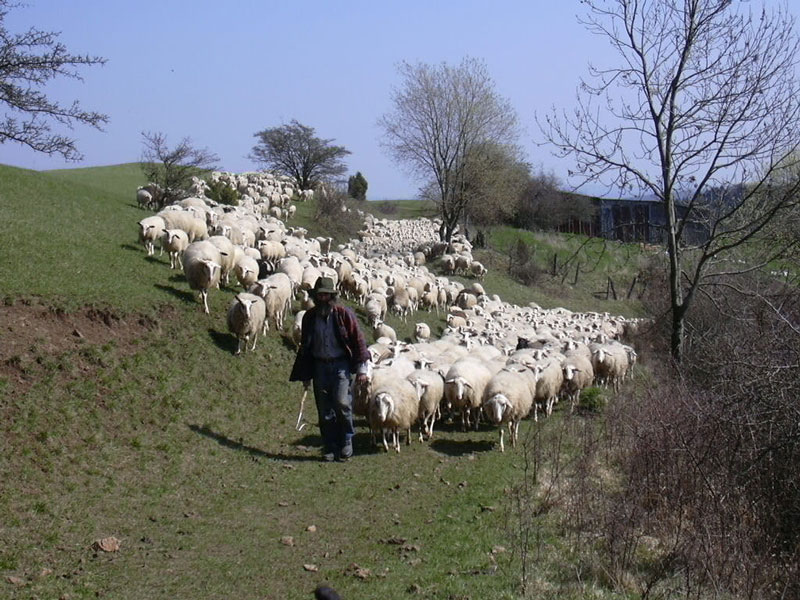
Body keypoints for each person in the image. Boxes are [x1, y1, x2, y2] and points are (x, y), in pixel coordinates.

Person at [289, 277, 370, 462]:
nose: (323, 298)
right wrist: (305, 372)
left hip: (340, 364)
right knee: (324, 408)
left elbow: (358, 340)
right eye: (320, 295)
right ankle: (329, 445)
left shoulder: (343, 314)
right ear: (316, 297)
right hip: (319, 365)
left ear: (332, 296)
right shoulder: (309, 317)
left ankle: (347, 440)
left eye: (326, 295)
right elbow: (305, 345)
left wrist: (362, 368)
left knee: (342, 402)